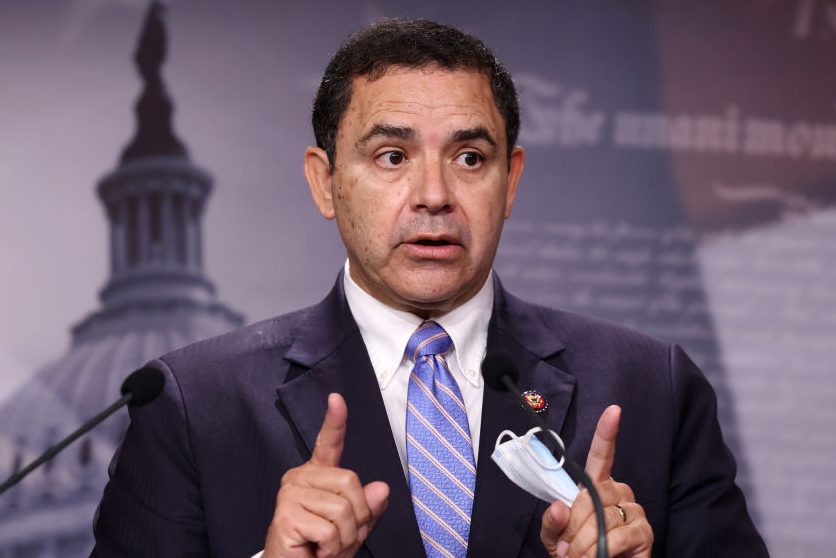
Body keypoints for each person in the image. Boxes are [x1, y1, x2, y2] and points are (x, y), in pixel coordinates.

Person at [91, 19, 768, 558]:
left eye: (470, 158)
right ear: (324, 182)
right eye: (392, 157)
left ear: (512, 181)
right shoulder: (191, 408)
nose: (435, 196)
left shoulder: (652, 389)